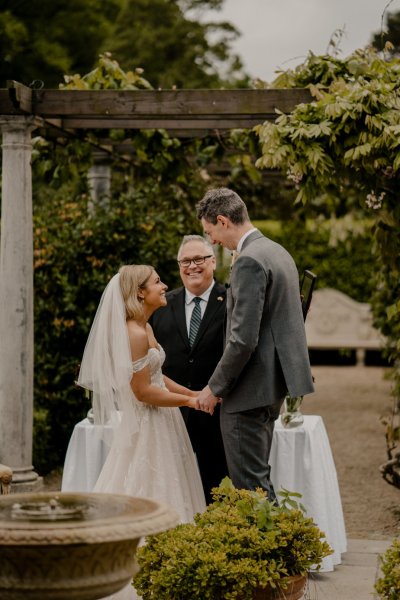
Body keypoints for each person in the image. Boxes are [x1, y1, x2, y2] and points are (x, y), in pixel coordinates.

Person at [195, 187, 314, 503]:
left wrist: (214, 388)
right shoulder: (277, 251)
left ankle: (273, 551)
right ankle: (279, 548)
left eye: (210, 233)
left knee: (250, 491)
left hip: (248, 394)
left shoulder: (249, 260)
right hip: (270, 389)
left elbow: (243, 339)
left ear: (222, 221)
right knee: (258, 484)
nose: (213, 242)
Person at [77, 265, 206, 524]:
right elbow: (143, 392)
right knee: (146, 482)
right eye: (157, 282)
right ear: (139, 293)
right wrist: (190, 402)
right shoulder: (133, 334)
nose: (164, 287)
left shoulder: (145, 328)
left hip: (165, 419)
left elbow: (155, 376)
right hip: (147, 422)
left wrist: (192, 392)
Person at [150, 235, 228, 503]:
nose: (192, 266)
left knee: (216, 489)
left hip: (216, 413)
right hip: (170, 414)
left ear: (213, 262)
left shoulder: (232, 301)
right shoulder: (160, 305)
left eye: (199, 259)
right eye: (186, 260)